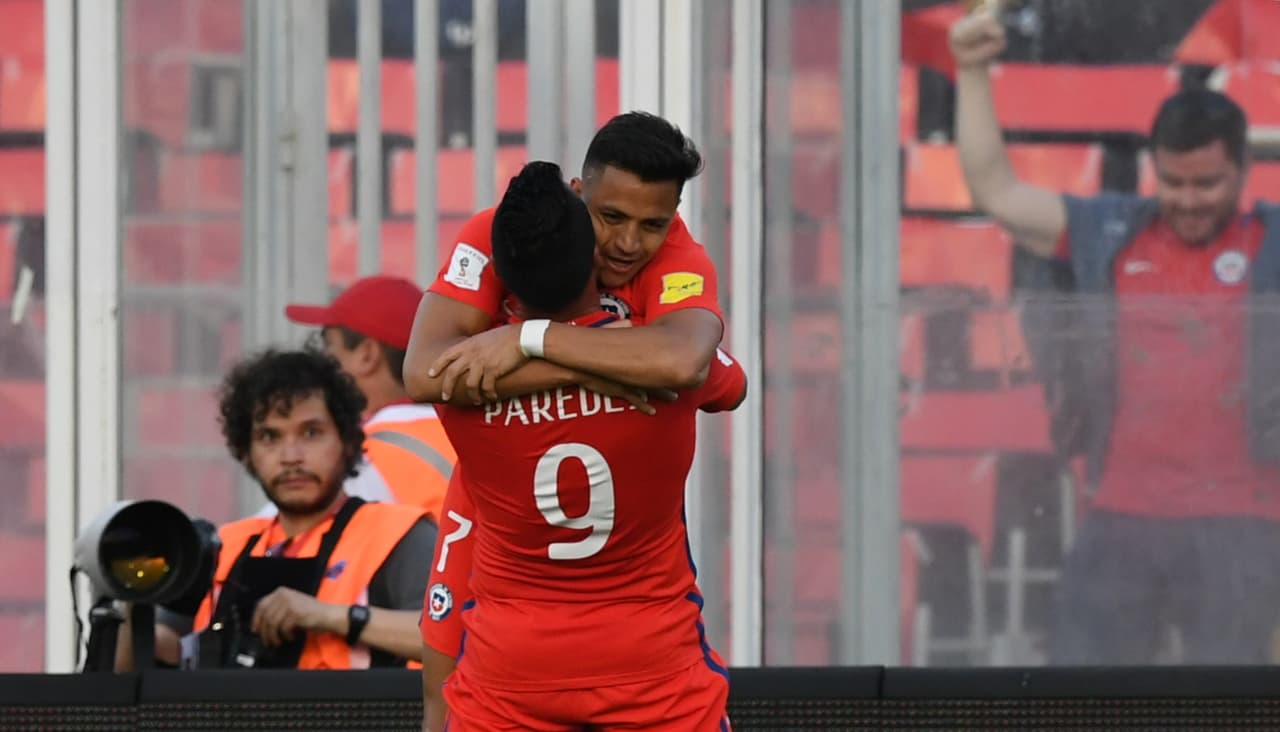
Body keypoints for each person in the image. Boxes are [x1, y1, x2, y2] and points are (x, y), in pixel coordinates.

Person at [950, 9, 1280, 664]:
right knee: (1088, 701)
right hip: (1122, 518)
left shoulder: (1273, 243)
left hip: (1244, 523)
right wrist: (971, 71)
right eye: (1174, 182)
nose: (1188, 200)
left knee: (1237, 709)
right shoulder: (1111, 232)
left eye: (1207, 184)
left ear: (1244, 173)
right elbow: (997, 192)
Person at [427, 161, 744, 731]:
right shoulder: (663, 370)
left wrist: (530, 347)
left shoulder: (458, 382)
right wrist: (599, 359)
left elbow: (423, 370)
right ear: (594, 258)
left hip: (510, 673)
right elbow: (728, 380)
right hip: (652, 666)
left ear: (501, 279)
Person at [402, 111, 723, 411]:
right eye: (611, 217)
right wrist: (585, 371)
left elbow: (684, 362)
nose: (628, 243)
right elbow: (422, 372)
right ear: (577, 192)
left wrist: (524, 339)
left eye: (653, 225)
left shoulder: (679, 257)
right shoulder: (507, 232)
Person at [140, 349, 437, 670]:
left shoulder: (400, 536)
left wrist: (329, 615)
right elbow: (158, 653)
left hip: (358, 721)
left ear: (349, 441)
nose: (291, 456)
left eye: (311, 433)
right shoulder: (223, 547)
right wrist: (127, 594)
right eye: (270, 437)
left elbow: (453, 642)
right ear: (246, 452)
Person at [284, 275, 456, 522]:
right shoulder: (465, 429)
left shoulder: (358, 456)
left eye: (331, 350)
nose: (324, 366)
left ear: (367, 356)